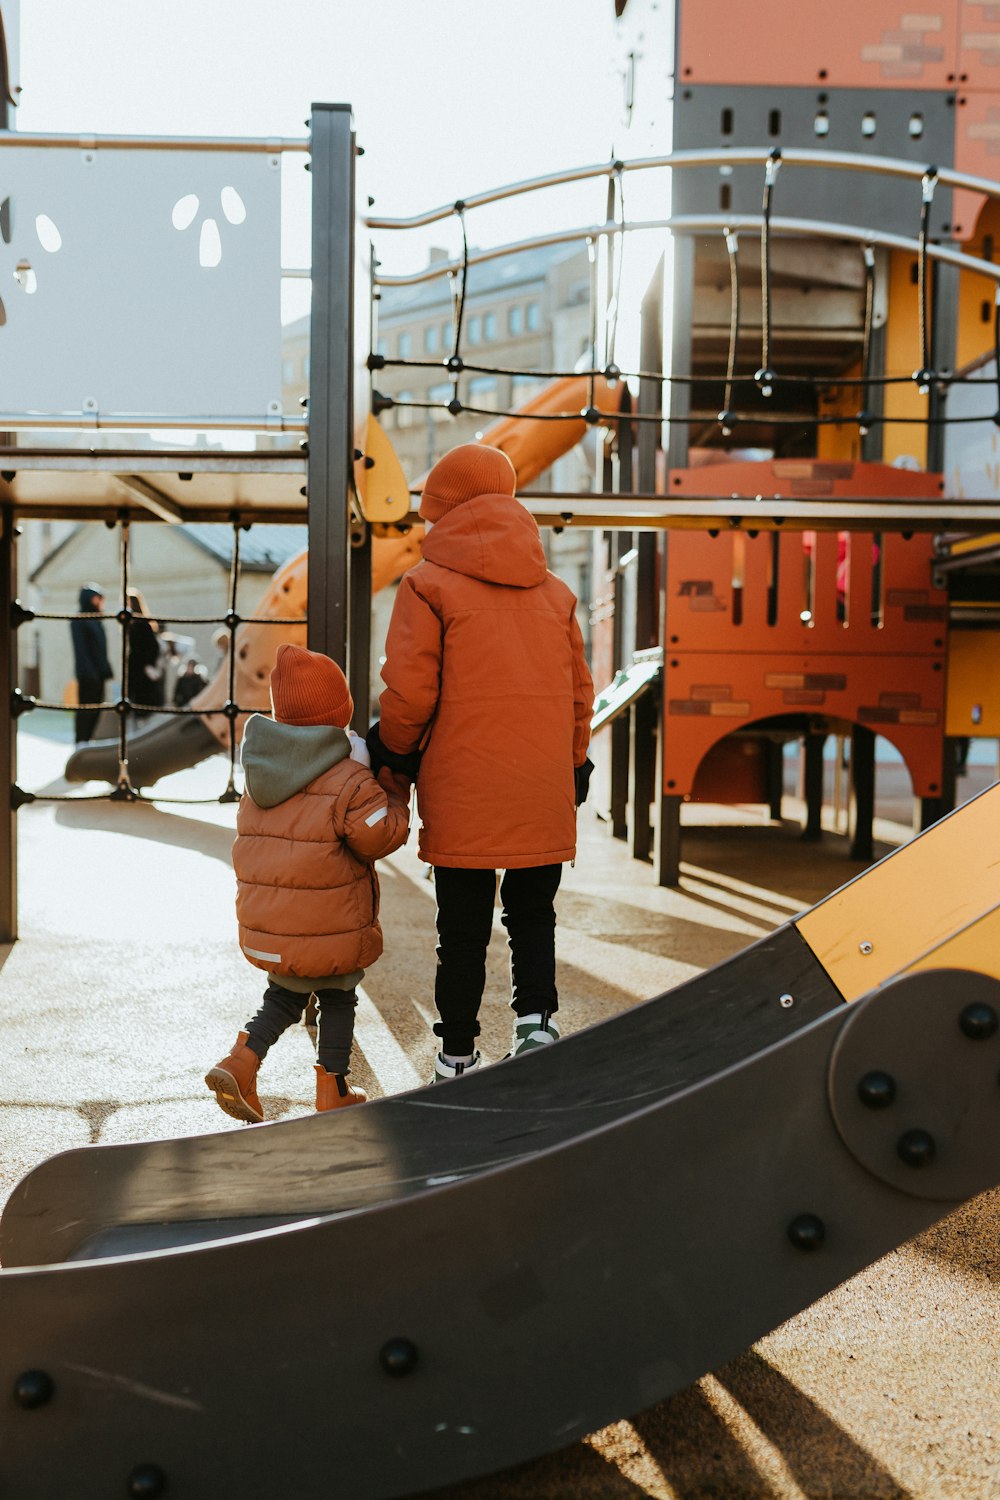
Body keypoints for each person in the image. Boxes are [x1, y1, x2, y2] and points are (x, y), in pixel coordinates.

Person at [370, 442, 594, 1083]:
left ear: (444, 512)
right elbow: (581, 693)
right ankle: (535, 1029)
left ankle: (457, 1056)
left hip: (462, 785)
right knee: (533, 918)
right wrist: (571, 765)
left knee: (462, 931)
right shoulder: (556, 596)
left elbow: (411, 693)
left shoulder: (426, 585)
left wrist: (394, 753)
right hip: (539, 785)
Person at [205, 643, 410, 1122]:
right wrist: (395, 792)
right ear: (340, 714)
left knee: (284, 995)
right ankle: (332, 1088)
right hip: (330, 923)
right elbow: (379, 838)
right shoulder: (349, 779)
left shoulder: (259, 775)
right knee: (338, 996)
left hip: (274, 925)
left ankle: (242, 1059)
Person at [69, 583, 113, 744]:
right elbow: (81, 651)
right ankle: (82, 741)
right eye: (96, 598)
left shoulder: (96, 620)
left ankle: (89, 740)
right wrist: (90, 673)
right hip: (88, 675)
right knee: (86, 710)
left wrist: (105, 670)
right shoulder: (80, 620)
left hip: (98, 674)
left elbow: (100, 649)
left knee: (96, 711)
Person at [125, 590, 164, 712]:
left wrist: (147, 664)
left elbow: (152, 646)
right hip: (137, 669)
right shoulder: (134, 623)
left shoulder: (141, 623)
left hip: (141, 670)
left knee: (142, 702)